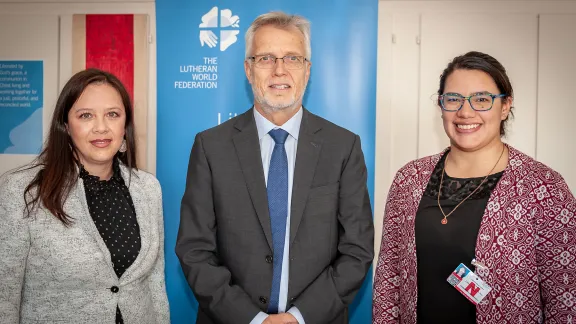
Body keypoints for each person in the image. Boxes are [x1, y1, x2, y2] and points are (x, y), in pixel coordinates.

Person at [176, 11, 374, 324]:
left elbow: (357, 251)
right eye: (266, 57)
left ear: (307, 71)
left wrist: (298, 318)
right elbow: (194, 250)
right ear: (248, 69)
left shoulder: (343, 147)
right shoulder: (210, 147)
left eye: (292, 58)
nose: (279, 70)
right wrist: (252, 319)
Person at [373, 51, 576, 323]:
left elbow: (565, 299)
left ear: (505, 106)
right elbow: (389, 278)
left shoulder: (543, 187)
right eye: (453, 99)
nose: (465, 112)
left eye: (482, 99)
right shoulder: (410, 179)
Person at [0, 68, 170, 323]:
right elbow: (5, 295)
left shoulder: (148, 188)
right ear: (66, 126)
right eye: (86, 115)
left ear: (125, 126)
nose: (101, 127)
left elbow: (155, 283)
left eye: (112, 114)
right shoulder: (23, 190)